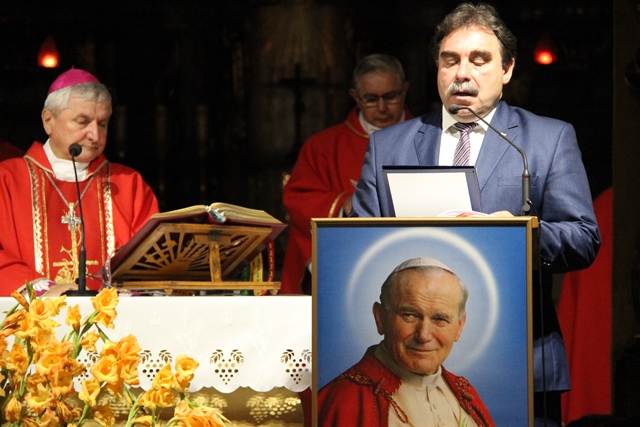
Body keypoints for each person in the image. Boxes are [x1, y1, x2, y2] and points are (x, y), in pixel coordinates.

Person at [350, 3, 600, 426]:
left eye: (479, 60)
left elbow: (583, 237)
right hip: (407, 367)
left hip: (520, 360)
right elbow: (356, 241)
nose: (462, 74)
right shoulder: (389, 146)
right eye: (450, 60)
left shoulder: (547, 139)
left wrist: (521, 234)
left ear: (507, 69)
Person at [0, 68, 159, 296]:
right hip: (30, 316)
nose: (95, 135)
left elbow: (152, 261)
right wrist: (44, 290)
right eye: (83, 122)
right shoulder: (7, 180)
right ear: (48, 121)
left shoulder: (128, 185)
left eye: (102, 124)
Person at [281, 53, 412, 294]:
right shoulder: (323, 146)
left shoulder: (429, 138)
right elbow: (297, 200)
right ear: (355, 97)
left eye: (390, 97)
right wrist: (345, 203)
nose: (382, 108)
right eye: (371, 99)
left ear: (405, 90)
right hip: (345, 261)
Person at [318, 257, 495, 427]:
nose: (423, 335)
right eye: (409, 315)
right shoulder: (341, 400)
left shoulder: (466, 394)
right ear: (380, 318)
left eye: (440, 319)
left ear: (459, 326)